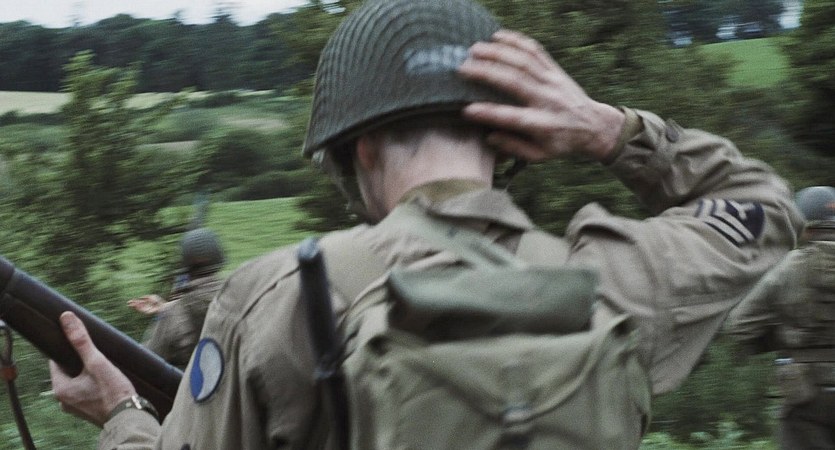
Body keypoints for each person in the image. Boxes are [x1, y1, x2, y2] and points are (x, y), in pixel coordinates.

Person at [47, 0, 803, 448]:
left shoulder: (275, 296)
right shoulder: (621, 278)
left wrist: (121, 414)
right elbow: (764, 206)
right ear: (506, 136)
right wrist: (610, 130)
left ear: (359, 148)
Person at [726, 186, 835, 449]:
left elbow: (739, 326)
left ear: (804, 226)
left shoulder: (788, 268)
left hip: (806, 395)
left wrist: (784, 336)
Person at [127, 228, 226, 369]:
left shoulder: (173, 313)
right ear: (219, 258)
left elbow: (144, 362)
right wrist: (168, 307)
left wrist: (166, 313)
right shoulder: (239, 297)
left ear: (185, 264)